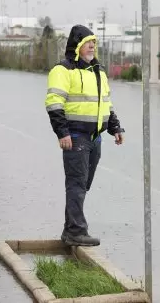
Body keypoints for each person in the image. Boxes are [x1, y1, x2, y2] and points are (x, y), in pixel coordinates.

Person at [44, 24, 125, 247]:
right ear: (77, 45)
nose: (92, 46)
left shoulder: (98, 71)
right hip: (75, 136)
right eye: (87, 42)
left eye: (94, 43)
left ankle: (70, 229)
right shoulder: (63, 70)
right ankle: (76, 231)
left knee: (83, 184)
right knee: (77, 184)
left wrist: (115, 128)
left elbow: (105, 104)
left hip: (95, 138)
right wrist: (62, 132)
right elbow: (53, 104)